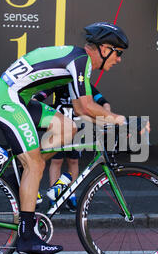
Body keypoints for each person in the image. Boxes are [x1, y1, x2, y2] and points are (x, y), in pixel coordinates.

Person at [0, 22, 129, 254]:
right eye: (118, 53)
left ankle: (20, 175)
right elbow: (88, 106)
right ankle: (27, 237)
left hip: (18, 99)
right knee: (36, 165)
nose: (119, 59)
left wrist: (106, 123)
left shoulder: (79, 62)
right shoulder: (81, 61)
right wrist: (120, 121)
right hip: (6, 100)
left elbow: (81, 110)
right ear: (104, 48)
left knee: (67, 127)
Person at [34, 84, 111, 212]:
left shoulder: (83, 84)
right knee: (56, 160)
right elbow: (40, 96)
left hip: (78, 128)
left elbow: (103, 101)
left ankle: (71, 194)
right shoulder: (60, 82)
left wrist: (106, 114)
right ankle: (55, 196)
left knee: (73, 161)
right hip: (59, 127)